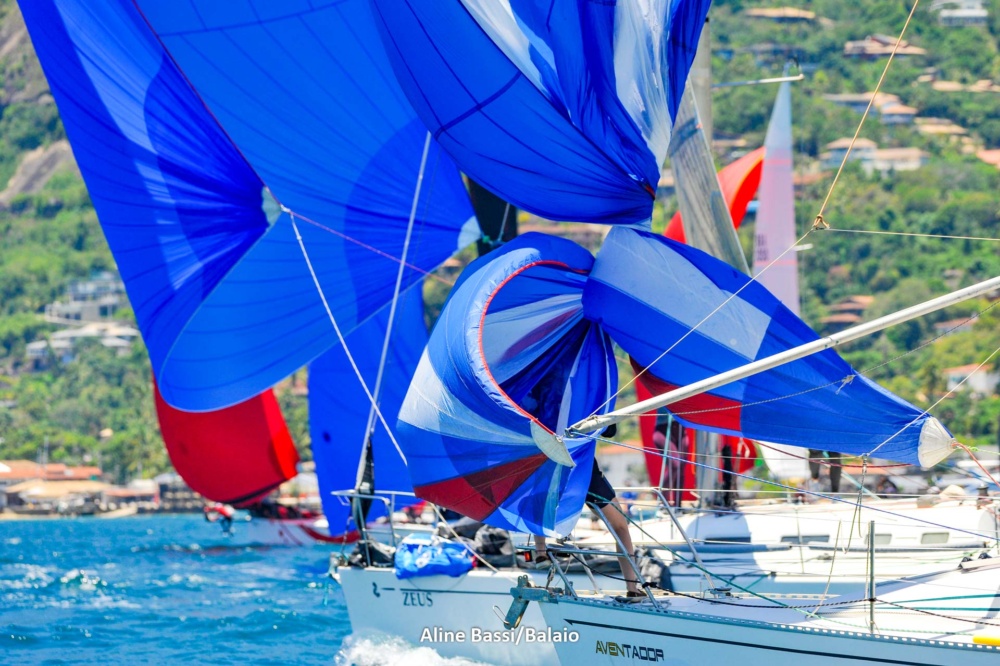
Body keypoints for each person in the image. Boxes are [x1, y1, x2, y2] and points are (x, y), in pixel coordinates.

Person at [533, 425, 641, 597]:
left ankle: (540, 552)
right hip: (584, 469)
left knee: (542, 502)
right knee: (620, 526)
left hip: (552, 463)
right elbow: (610, 430)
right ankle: (633, 589)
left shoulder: (547, 408)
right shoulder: (591, 407)